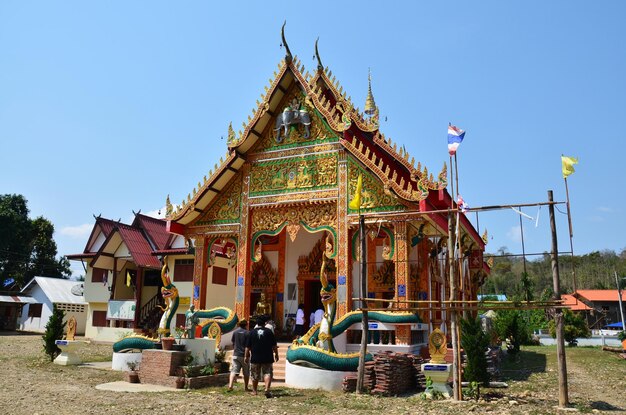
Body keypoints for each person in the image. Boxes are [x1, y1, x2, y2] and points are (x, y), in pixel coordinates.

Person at [245, 315, 278, 398]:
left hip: (255, 357)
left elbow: (247, 347)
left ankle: (254, 391)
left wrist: (246, 356)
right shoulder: (269, 332)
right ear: (265, 323)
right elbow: (274, 345)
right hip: (267, 357)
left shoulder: (251, 332)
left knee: (254, 374)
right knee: (267, 373)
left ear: (257, 323)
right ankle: (267, 388)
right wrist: (276, 354)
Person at [227, 319, 250, 391]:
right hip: (244, 355)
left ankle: (230, 385)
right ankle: (246, 387)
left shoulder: (235, 332)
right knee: (246, 372)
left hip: (236, 354)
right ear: (246, 324)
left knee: (233, 370)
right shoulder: (247, 333)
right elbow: (248, 345)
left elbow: (233, 342)